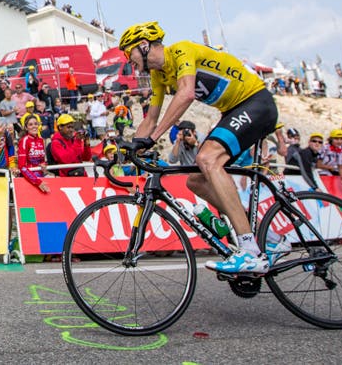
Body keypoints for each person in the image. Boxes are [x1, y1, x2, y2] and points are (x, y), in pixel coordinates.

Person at [118, 21, 288, 275]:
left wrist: (153, 138)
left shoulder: (181, 51)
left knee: (208, 158)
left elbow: (186, 94)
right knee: (196, 181)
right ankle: (270, 238)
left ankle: (249, 250)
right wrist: (129, 150)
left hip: (255, 102)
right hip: (233, 110)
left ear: (143, 45)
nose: (127, 60)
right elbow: (150, 118)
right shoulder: (157, 76)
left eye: (128, 52)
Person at [16, 114, 50, 193]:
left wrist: (43, 164)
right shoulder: (24, 140)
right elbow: (22, 166)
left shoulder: (41, 140)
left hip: (40, 176)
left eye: (35, 123)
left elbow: (41, 160)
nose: (34, 126)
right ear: (26, 127)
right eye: (30, 124)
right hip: (29, 179)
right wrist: (37, 181)